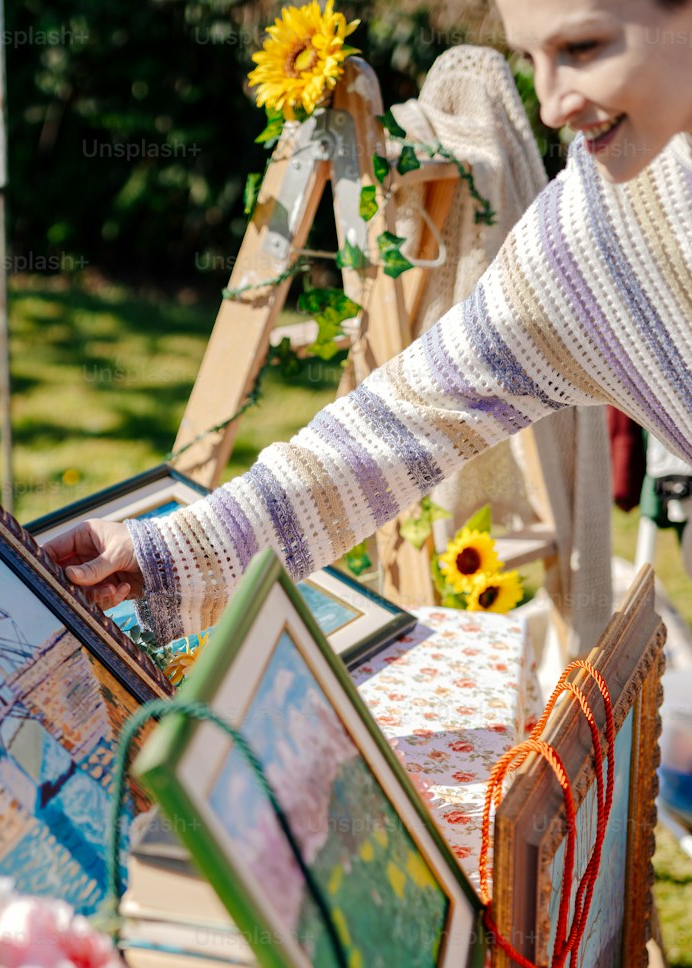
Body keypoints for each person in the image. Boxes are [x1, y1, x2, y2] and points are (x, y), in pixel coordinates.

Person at [47, 0, 692, 645]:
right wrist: (167, 554)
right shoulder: (596, 238)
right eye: (531, 57)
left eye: (581, 48)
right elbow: (395, 428)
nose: (551, 105)